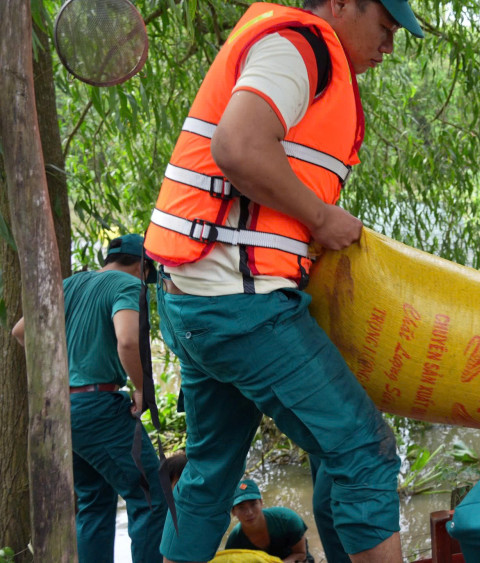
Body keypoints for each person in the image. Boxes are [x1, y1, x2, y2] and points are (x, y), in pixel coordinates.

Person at [142, 1, 424, 561]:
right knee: (365, 452)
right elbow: (239, 146)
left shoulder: (299, 54)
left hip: (189, 301)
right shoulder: (302, 47)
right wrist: (321, 218)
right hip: (239, 306)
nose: (389, 46)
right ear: (342, 4)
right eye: (386, 28)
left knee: (210, 471)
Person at [12, 234, 166, 562]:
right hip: (99, 407)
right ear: (143, 265)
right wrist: (142, 389)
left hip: (62, 410)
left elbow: (21, 332)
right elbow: (126, 341)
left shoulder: (68, 284)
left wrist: (61, 373)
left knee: (94, 504)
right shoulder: (126, 284)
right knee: (152, 498)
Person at [225, 479, 315, 563]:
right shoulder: (234, 541)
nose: (249, 512)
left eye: (253, 504)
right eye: (241, 507)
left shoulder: (287, 520)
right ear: (233, 512)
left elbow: (301, 554)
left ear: (261, 503)